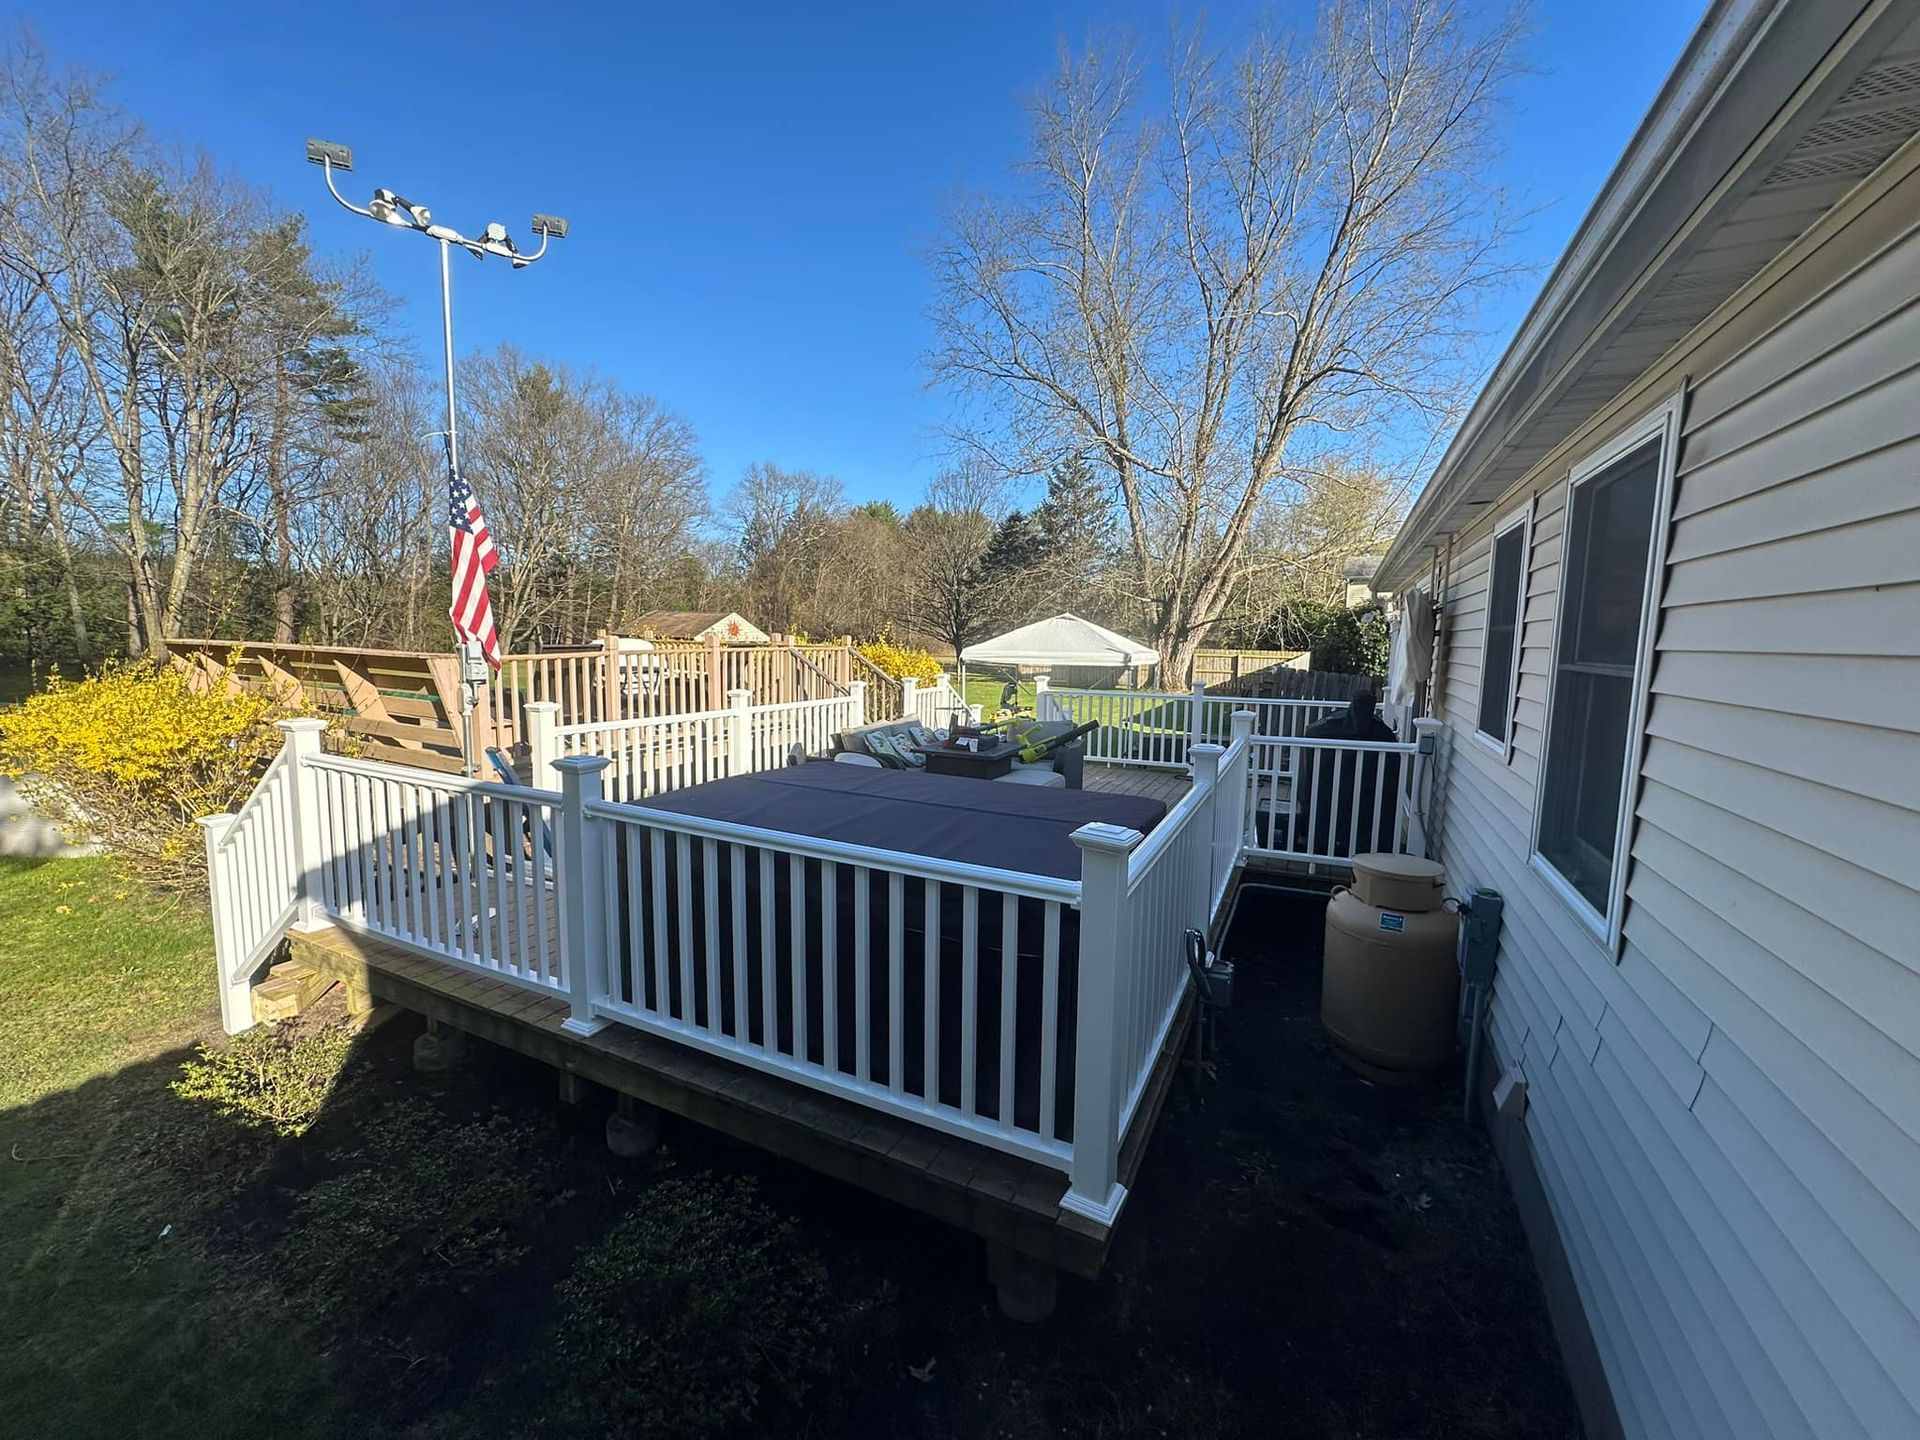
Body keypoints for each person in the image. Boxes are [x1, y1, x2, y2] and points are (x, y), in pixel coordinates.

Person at [1296, 691, 1401, 854]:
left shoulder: (1326, 729)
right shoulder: (1383, 734)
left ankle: (1320, 843)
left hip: (1331, 794)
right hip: (1364, 801)